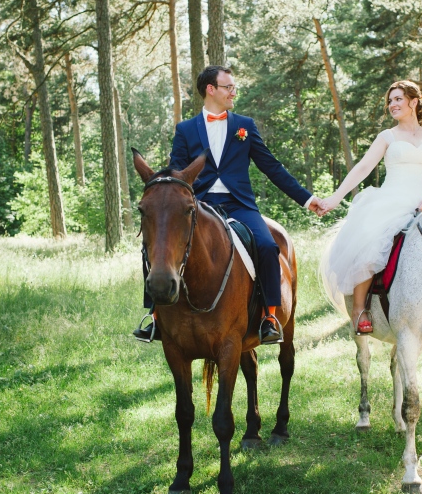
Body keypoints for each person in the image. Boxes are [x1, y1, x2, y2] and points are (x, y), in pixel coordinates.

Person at [134, 65, 324, 344]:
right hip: (200, 206)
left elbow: (272, 167)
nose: (234, 92)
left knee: (267, 246)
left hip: (240, 205)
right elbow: (177, 171)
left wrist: (307, 199)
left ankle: (269, 317)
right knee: (155, 246)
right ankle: (154, 317)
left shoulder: (245, 126)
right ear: (211, 89)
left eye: (234, 87)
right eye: (229, 87)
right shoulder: (185, 129)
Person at [318, 79, 422, 333]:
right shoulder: (387, 136)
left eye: (398, 99)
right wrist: (335, 198)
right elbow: (363, 168)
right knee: (370, 243)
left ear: (414, 102)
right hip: (392, 199)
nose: (392, 104)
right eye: (390, 101)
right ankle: (360, 309)